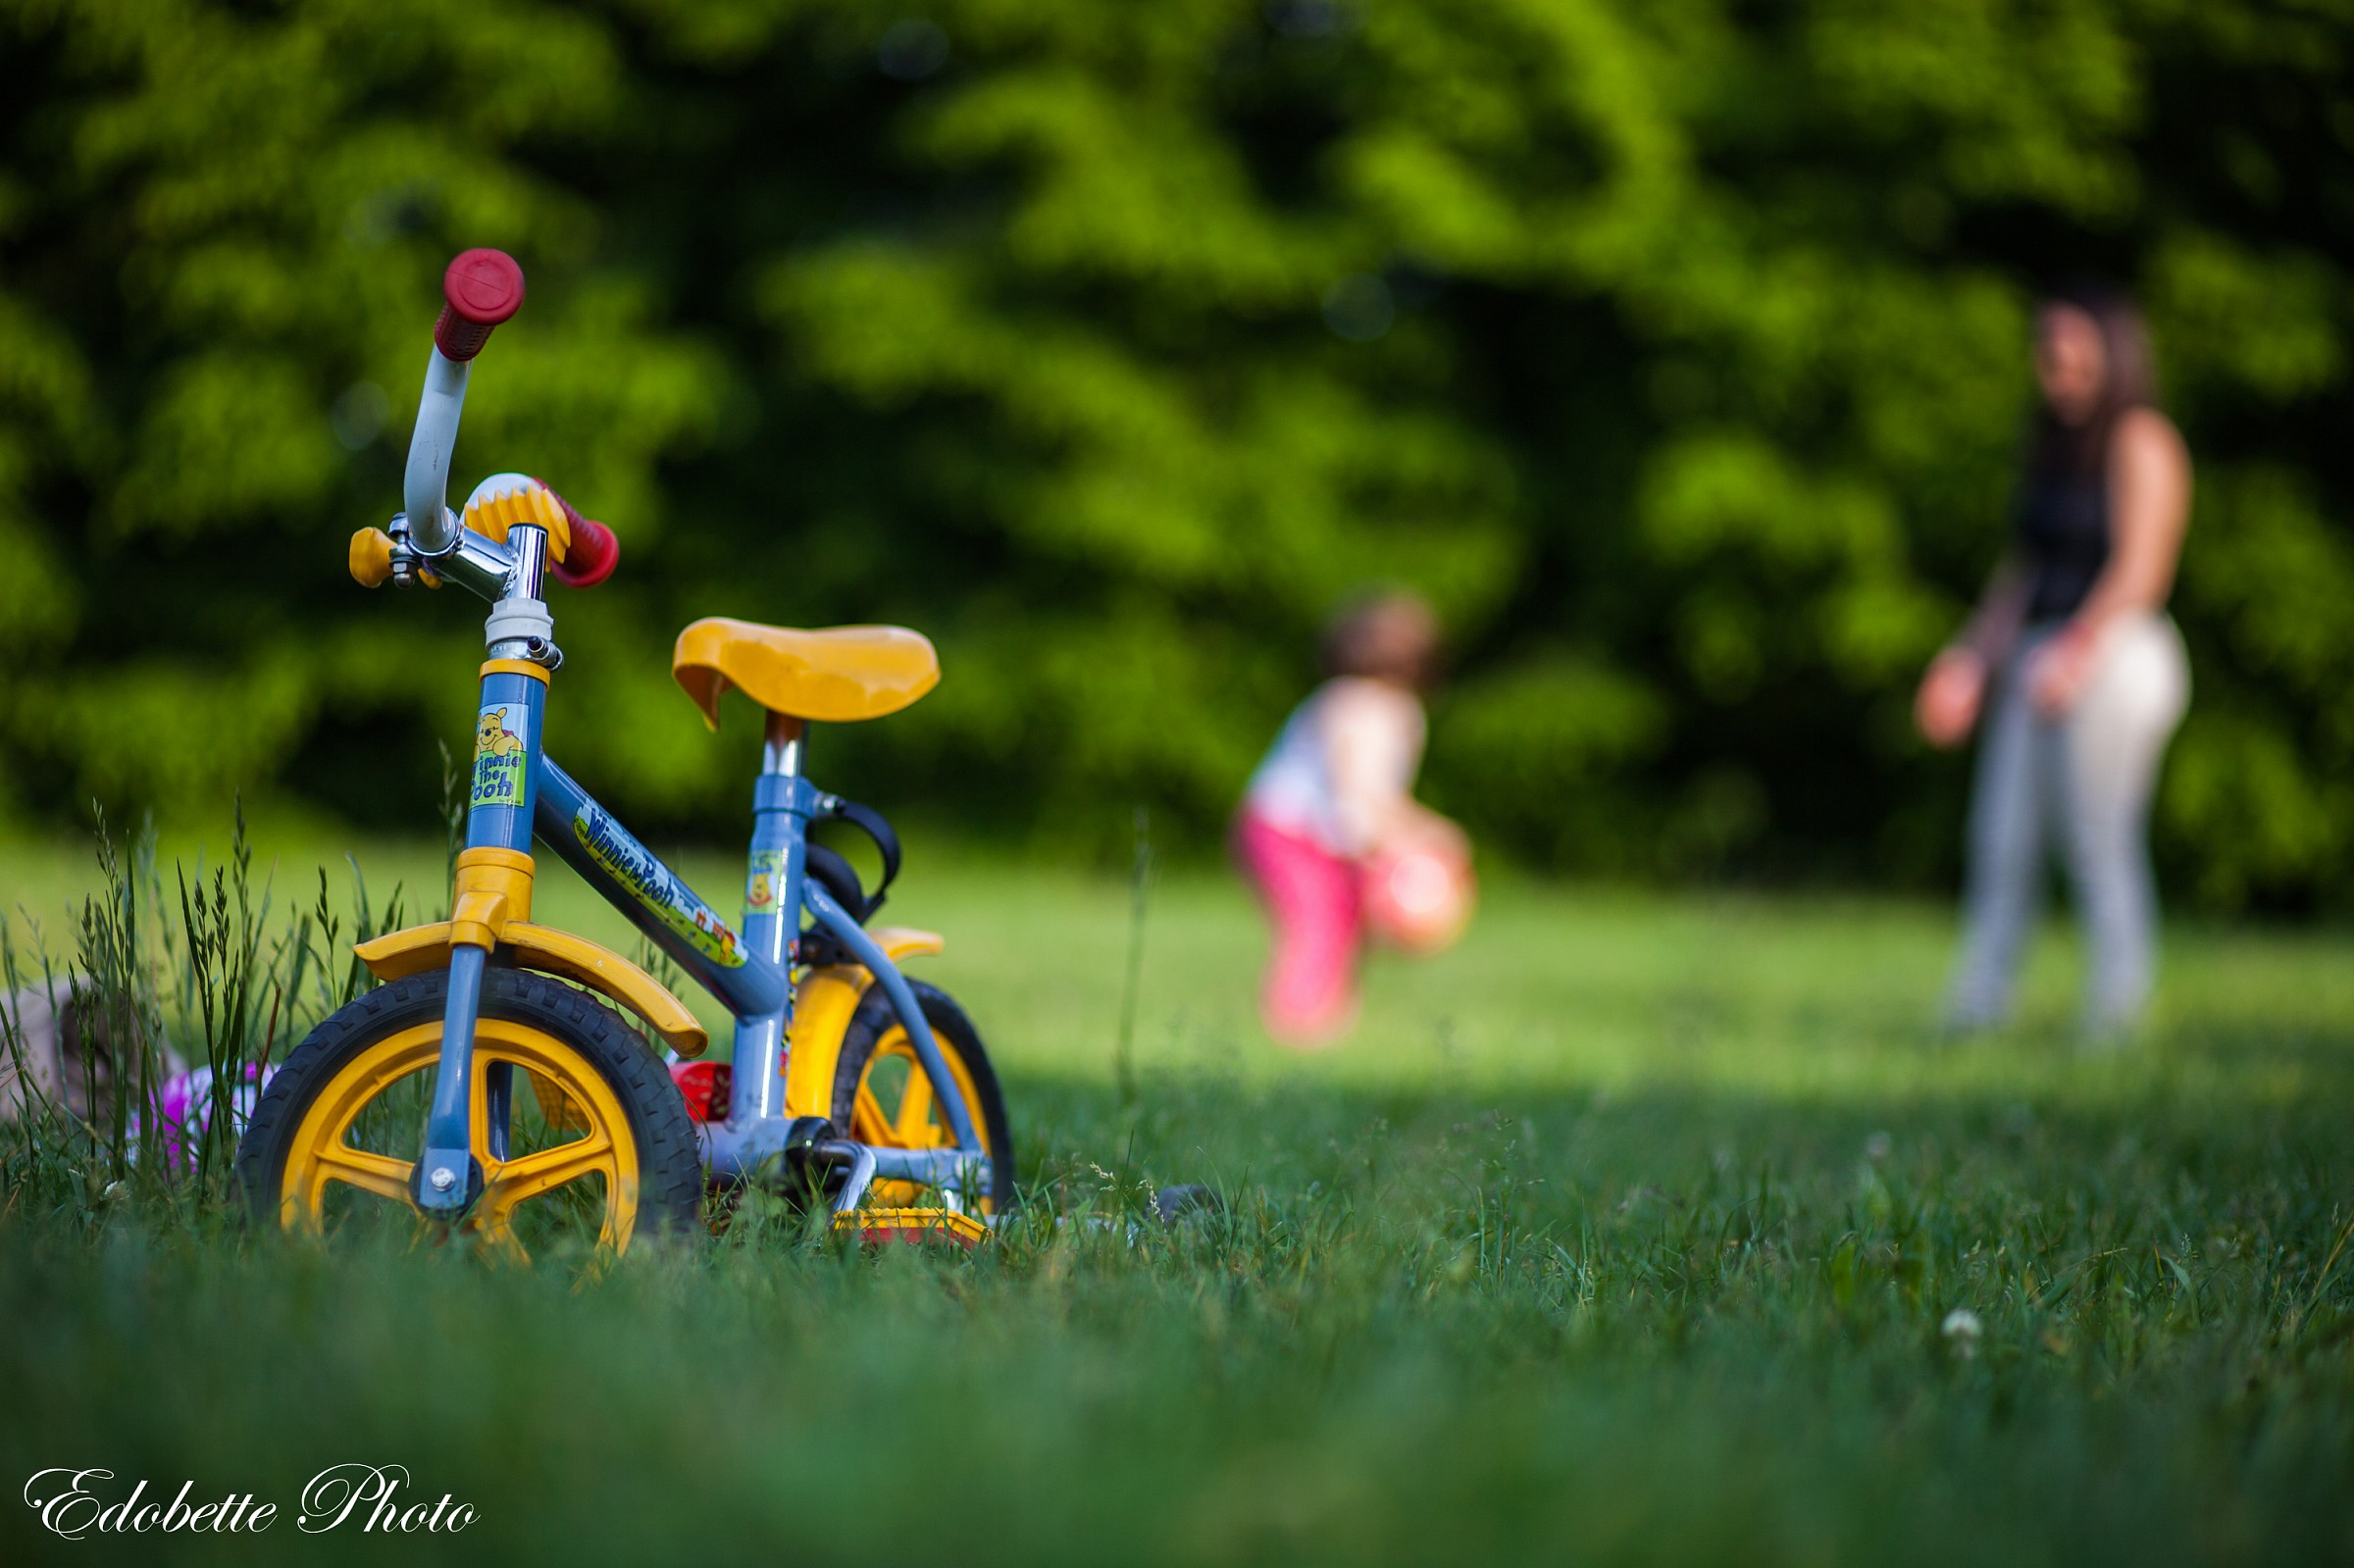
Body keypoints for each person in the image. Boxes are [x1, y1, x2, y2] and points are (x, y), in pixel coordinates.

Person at [1915, 286, 2192, 1038]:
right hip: (2040, 653)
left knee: (2098, 834)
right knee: (2001, 836)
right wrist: (1969, 659)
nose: (2059, 371)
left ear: (2114, 355)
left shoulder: (2142, 438)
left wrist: (2079, 647)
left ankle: (2117, 1009)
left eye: (2075, 355)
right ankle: (1978, 1003)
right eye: (2049, 354)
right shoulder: (2051, 445)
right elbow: (2023, 574)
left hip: (2120, 651)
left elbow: (2143, 567)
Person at [1234, 592, 1467, 1045]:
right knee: (1318, 920)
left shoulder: (1378, 708)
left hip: (1310, 831)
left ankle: (1326, 1020)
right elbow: (1361, 796)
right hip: (1290, 829)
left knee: (1340, 923)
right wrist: (1425, 836)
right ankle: (1297, 1025)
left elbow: (1368, 802)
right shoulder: (1355, 708)